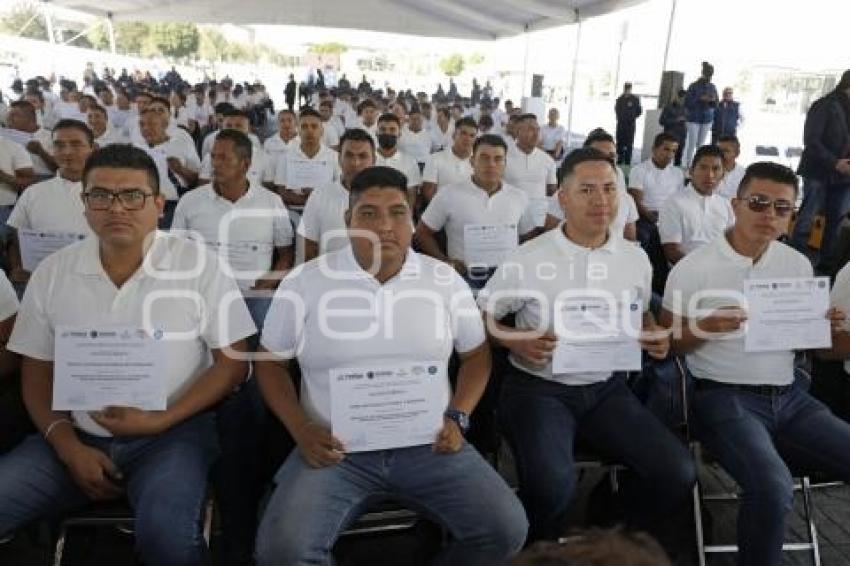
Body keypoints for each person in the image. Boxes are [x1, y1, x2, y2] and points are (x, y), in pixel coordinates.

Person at [254, 165, 528, 565]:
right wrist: (301, 429)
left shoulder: (443, 281)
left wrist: (459, 416)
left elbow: (475, 356)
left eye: (398, 212)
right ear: (348, 221)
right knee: (283, 552)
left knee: (505, 529)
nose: (385, 225)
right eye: (368, 213)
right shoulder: (306, 282)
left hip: (430, 444)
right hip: (335, 450)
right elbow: (270, 363)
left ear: (413, 220)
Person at [0, 144, 255, 565]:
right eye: (100, 195)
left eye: (132, 196)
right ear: (84, 205)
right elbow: (37, 370)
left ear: (158, 205)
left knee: (167, 538)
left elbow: (232, 364)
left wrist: (162, 419)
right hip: (73, 435)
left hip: (172, 435)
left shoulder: (199, 266)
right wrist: (67, 446)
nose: (115, 208)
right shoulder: (53, 273)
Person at [479, 147, 695, 543]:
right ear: (563, 197)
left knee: (677, 472)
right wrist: (515, 339)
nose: (601, 200)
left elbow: (641, 313)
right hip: (538, 389)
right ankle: (542, 550)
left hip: (606, 388)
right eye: (587, 190)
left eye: (610, 189)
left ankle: (609, 530)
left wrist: (653, 335)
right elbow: (481, 317)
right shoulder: (528, 257)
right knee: (551, 485)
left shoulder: (635, 258)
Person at [661, 161, 850, 566]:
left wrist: (820, 326)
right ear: (736, 204)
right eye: (759, 203)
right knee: (771, 485)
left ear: (792, 217)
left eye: (782, 208)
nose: (769, 215)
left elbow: (813, 348)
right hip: (723, 398)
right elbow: (667, 344)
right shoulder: (694, 268)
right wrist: (705, 327)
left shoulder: (796, 264)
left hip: (791, 398)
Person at [416, 134, 536, 289]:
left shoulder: (519, 197)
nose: (491, 164)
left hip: (506, 278)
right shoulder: (449, 194)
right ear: (472, 162)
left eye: (498, 159)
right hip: (464, 278)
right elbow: (422, 233)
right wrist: (445, 262)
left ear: (505, 164)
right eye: (484, 158)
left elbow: (529, 238)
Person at [7, 120, 95, 287]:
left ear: (92, 149)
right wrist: (17, 266)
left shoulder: (109, 191)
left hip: (94, 281)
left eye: (76, 144)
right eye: (59, 146)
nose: (67, 152)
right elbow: (16, 237)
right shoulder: (33, 193)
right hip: (44, 282)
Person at [790, 69, 850, 273]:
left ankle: (826, 271)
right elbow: (811, 141)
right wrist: (835, 163)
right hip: (818, 171)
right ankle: (794, 266)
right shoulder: (824, 105)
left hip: (845, 176)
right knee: (807, 219)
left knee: (836, 223)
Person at [298, 128, 375, 261]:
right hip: (329, 276)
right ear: (339, 159)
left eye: (363, 156)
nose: (355, 163)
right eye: (349, 155)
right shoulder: (319, 195)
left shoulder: (388, 196)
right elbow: (308, 248)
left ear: (374, 160)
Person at [658, 145, 734, 264]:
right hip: (686, 272)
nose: (710, 175)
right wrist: (703, 271)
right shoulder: (673, 203)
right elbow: (672, 252)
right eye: (703, 167)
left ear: (723, 175)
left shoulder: (725, 205)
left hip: (722, 270)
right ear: (691, 171)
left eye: (716, 169)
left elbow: (733, 244)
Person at [272, 108, 340, 211]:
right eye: (304, 127)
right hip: (293, 210)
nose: (309, 131)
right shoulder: (285, 157)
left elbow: (339, 189)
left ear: (322, 131)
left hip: (325, 210)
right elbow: (281, 191)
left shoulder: (335, 157)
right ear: (298, 130)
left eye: (314, 126)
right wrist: (306, 201)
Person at [505, 114, 558, 231]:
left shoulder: (547, 160)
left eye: (537, 129)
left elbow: (552, 192)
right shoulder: (504, 157)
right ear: (518, 132)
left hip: (539, 223)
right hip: (510, 220)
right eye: (530, 129)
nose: (536, 134)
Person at [421, 117, 477, 205]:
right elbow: (428, 193)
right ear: (454, 135)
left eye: (472, 135)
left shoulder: (480, 163)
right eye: (463, 133)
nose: (467, 138)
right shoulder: (435, 158)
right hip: (441, 213)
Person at [375, 113, 422, 208]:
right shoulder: (367, 159)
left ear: (399, 133)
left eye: (392, 130)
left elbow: (411, 195)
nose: (387, 133)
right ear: (376, 133)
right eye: (383, 129)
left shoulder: (410, 162)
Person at [683, 62, 719, 167]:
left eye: (710, 75)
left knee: (700, 145)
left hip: (707, 119)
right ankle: (689, 165)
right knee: (692, 143)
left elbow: (716, 103)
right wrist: (699, 98)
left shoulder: (712, 87)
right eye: (707, 74)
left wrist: (712, 101)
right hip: (693, 118)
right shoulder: (693, 86)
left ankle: (698, 164)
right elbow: (687, 103)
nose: (709, 77)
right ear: (703, 73)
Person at [614, 82, 642, 165]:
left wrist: (632, 117)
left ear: (631, 88)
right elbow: (617, 111)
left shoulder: (635, 99)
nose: (627, 90)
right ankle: (619, 161)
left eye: (629, 88)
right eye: (626, 88)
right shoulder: (619, 99)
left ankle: (627, 162)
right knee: (620, 144)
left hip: (630, 125)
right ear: (624, 88)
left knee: (629, 144)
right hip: (621, 125)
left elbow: (639, 111)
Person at [659, 89, 687, 166]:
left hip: (681, 136)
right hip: (670, 137)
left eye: (684, 98)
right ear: (676, 97)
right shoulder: (668, 107)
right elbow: (661, 121)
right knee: (666, 157)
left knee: (678, 158)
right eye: (680, 98)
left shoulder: (685, 108)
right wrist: (676, 120)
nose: (682, 100)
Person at [715, 134, 747, 200]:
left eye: (725, 151)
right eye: (718, 150)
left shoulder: (744, 175)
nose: (721, 154)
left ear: (737, 153)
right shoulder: (708, 171)